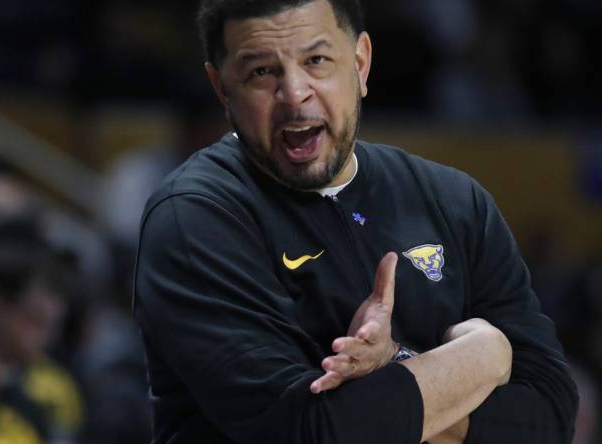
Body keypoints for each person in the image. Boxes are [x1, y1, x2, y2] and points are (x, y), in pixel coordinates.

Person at [133, 0, 578, 443]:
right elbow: (309, 432)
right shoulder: (196, 218)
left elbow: (550, 416)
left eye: (317, 60)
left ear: (361, 64)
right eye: (261, 73)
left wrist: (394, 364)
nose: (294, 93)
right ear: (221, 89)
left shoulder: (455, 201)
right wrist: (482, 358)